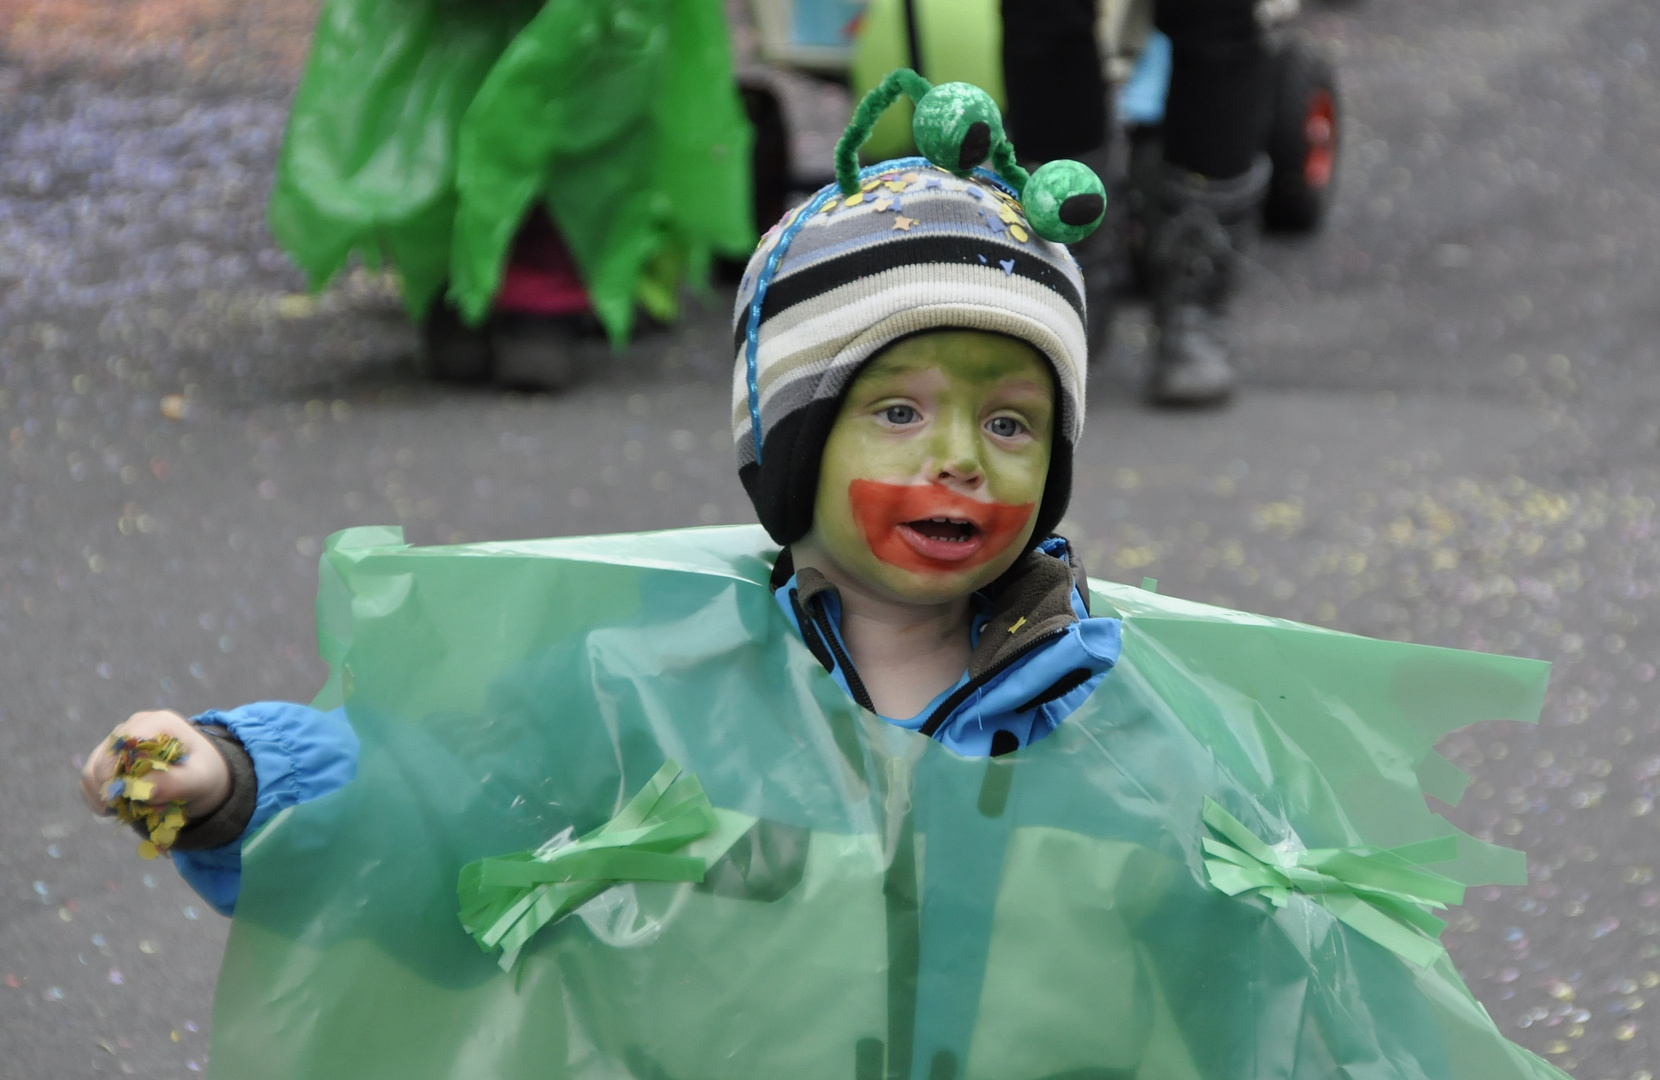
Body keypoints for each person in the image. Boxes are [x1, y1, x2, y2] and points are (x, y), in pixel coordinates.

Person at [76, 79, 1566, 1080]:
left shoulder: (1136, 734)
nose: (966, 461)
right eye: (899, 410)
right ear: (790, 449)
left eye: (1012, 420)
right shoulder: (646, 686)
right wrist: (236, 781)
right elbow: (434, 813)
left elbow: (1302, 990)